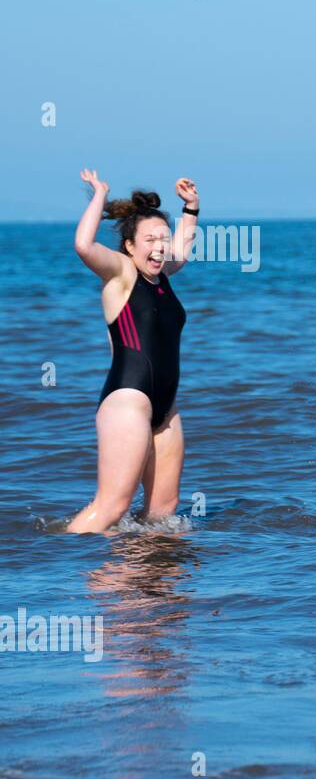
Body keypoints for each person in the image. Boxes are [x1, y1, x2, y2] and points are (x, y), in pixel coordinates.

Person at [67, 173, 200, 533]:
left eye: (164, 239)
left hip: (165, 409)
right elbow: (83, 245)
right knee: (111, 506)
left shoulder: (163, 275)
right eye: (150, 240)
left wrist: (191, 208)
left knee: (163, 511)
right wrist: (100, 194)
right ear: (129, 245)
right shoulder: (120, 273)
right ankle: (61, 570)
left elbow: (183, 253)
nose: (159, 247)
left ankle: (147, 584)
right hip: (128, 402)